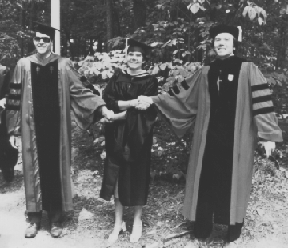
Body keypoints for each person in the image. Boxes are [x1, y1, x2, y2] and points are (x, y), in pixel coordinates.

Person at [138, 24, 282, 246]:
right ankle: (203, 226)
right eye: (217, 40)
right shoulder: (206, 71)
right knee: (205, 177)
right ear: (213, 45)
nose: (221, 43)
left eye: (225, 39)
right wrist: (156, 100)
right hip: (208, 137)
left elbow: (261, 103)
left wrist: (268, 135)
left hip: (237, 138)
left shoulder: (248, 68)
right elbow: (182, 97)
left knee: (232, 179)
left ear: (234, 43)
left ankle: (232, 229)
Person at [5, 22, 113, 238]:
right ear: (34, 41)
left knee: (56, 170)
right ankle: (34, 218)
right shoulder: (23, 64)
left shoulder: (64, 65)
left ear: (51, 42)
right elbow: (14, 99)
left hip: (57, 129)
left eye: (45, 39)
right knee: (31, 170)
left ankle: (55, 218)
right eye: (38, 39)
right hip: (31, 128)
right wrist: (12, 129)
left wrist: (100, 106)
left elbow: (81, 89)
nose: (41, 42)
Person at [100, 38, 158, 244]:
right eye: (130, 54)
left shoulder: (150, 81)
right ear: (126, 57)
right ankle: (118, 223)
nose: (134, 58)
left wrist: (118, 112)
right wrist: (129, 104)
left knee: (137, 175)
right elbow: (107, 100)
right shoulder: (117, 77)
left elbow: (146, 111)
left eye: (138, 55)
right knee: (116, 175)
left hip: (139, 135)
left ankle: (137, 221)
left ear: (144, 59)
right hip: (116, 135)